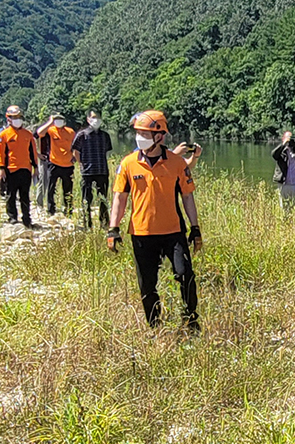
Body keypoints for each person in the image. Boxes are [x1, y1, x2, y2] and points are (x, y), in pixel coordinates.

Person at [106, 110, 201, 332]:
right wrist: (113, 228)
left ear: (160, 136)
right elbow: (119, 198)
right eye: (138, 132)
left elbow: (187, 196)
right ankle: (155, 327)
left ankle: (191, 321)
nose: (140, 137)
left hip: (173, 231)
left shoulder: (177, 163)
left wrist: (195, 228)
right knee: (147, 285)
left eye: (145, 133)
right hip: (141, 233)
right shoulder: (128, 163)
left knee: (185, 275)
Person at [0, 105, 37, 228]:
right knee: (10, 194)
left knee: (25, 195)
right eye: (14, 117)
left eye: (19, 117)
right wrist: (1, 168)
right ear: (8, 118)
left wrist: (36, 167)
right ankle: (12, 217)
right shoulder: (4, 135)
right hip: (10, 169)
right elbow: (0, 153)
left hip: (25, 168)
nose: (17, 119)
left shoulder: (28, 134)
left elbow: (32, 151)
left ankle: (26, 218)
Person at [71, 111, 114, 228]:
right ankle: (86, 223)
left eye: (98, 117)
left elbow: (106, 151)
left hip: (102, 170)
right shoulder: (82, 135)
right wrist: (81, 164)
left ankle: (104, 223)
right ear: (88, 119)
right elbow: (75, 151)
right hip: (87, 172)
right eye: (94, 117)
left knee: (103, 199)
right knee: (86, 199)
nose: (96, 120)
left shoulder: (105, 136)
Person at [36, 113, 75, 216]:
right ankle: (51, 209)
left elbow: (75, 145)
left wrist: (75, 156)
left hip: (68, 164)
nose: (58, 121)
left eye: (60, 119)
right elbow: (39, 133)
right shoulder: (51, 130)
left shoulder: (70, 132)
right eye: (56, 119)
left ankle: (68, 210)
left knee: (68, 190)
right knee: (51, 188)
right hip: (54, 163)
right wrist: (50, 122)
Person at [270, 129, 295, 211]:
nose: (290, 141)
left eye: (291, 138)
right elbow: (274, 155)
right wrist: (283, 144)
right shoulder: (281, 151)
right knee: (284, 208)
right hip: (284, 183)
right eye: (288, 138)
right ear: (283, 138)